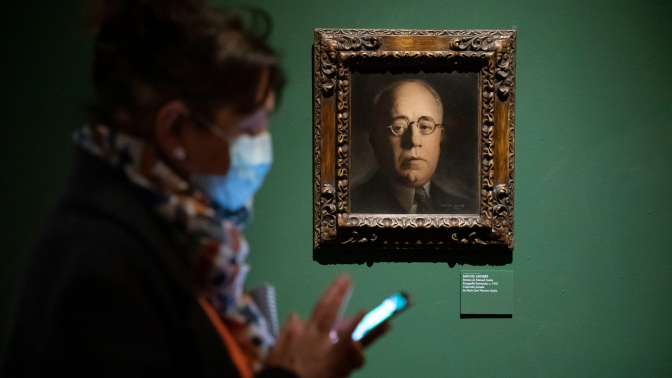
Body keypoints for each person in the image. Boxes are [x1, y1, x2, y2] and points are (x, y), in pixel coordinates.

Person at [0, 1, 385, 377]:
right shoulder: (99, 265)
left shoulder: (177, 239)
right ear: (174, 129)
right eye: (248, 129)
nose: (262, 146)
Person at [353, 79, 468, 214]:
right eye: (399, 127)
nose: (413, 140)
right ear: (375, 138)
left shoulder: (465, 209)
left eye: (425, 127)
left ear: (440, 136)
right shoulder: (352, 206)